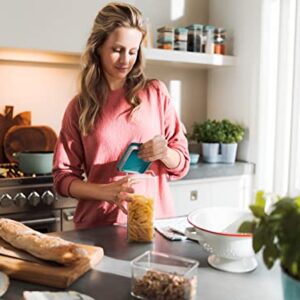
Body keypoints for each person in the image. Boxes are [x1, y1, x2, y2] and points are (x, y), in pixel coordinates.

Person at [52, 2, 190, 229]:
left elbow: (182, 165)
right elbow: (62, 178)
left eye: (133, 51)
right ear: (98, 47)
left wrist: (164, 153)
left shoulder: (155, 93)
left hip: (154, 226)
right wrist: (104, 192)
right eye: (117, 50)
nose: (126, 59)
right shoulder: (80, 106)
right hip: (98, 228)